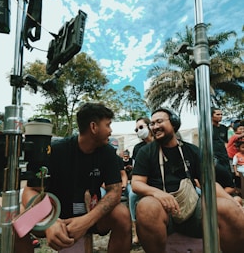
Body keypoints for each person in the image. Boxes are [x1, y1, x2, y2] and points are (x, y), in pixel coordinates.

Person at [21, 103, 131, 253]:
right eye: (108, 125)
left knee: (122, 214)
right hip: (54, 216)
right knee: (19, 221)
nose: (110, 131)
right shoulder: (56, 150)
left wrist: (87, 221)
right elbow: (31, 190)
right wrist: (49, 221)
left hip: (91, 214)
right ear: (93, 127)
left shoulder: (108, 153)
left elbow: (115, 191)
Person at [131, 107, 244, 253]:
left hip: (192, 208)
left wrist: (232, 202)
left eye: (159, 121)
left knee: (230, 209)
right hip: (161, 210)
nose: (155, 126)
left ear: (174, 123)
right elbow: (136, 183)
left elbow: (208, 184)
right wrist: (158, 194)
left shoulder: (191, 150)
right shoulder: (145, 152)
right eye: (152, 124)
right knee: (146, 206)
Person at [129, 117, 154, 245]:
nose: (138, 131)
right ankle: (136, 232)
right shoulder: (138, 148)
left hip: (162, 181)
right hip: (144, 182)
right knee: (132, 196)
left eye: (141, 127)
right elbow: (136, 170)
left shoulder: (161, 142)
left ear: (150, 126)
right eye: (136, 129)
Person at [211, 107, 236, 195]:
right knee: (217, 178)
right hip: (214, 157)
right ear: (211, 116)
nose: (220, 116)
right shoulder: (208, 128)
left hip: (224, 156)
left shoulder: (223, 128)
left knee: (229, 177)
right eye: (217, 114)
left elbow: (226, 142)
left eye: (221, 114)